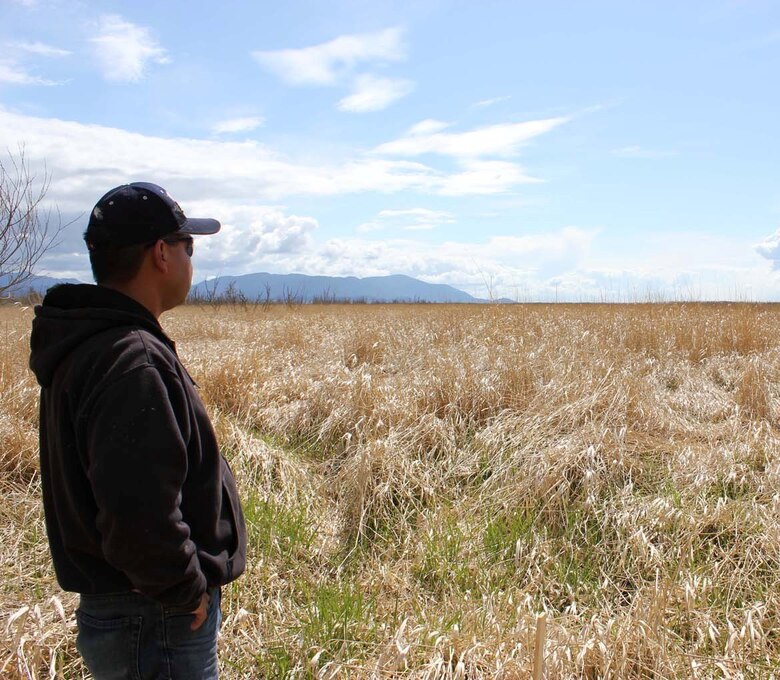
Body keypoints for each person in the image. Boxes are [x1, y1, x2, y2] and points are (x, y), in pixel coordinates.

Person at [29, 182, 247, 679]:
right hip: (153, 617)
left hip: (131, 611)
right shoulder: (132, 360)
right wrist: (183, 588)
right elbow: (137, 513)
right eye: (188, 245)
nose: (192, 260)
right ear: (161, 254)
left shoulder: (92, 343)